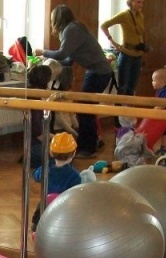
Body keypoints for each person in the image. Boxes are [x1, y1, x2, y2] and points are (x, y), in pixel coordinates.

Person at [35, 5, 113, 159]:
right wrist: (48, 65)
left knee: (85, 110)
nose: (51, 23)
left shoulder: (71, 29)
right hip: (96, 71)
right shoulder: (74, 28)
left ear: (58, 19)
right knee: (85, 109)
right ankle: (90, 143)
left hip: (99, 72)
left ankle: (88, 148)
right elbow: (68, 60)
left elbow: (62, 54)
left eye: (52, 19)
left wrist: (43, 52)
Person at [31, 132, 81, 232]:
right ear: (74, 153)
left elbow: (35, 176)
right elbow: (75, 194)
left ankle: (37, 225)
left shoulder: (46, 168)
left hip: (46, 204)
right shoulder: (75, 175)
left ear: (51, 152)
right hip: (64, 207)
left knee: (41, 207)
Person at [100, 0, 146, 97]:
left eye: (142, 2)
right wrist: (113, 42)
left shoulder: (140, 16)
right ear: (131, 2)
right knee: (123, 87)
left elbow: (140, 34)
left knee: (132, 87)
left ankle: (129, 107)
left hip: (138, 54)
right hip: (126, 54)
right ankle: (119, 106)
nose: (141, 5)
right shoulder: (124, 15)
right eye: (138, 2)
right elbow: (104, 25)